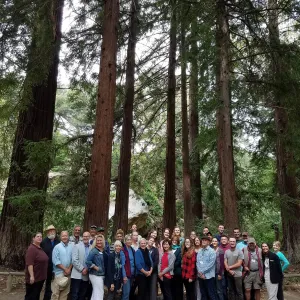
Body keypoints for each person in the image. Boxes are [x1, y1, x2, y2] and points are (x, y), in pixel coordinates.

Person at [25, 232, 49, 300]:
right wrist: (32, 276)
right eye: (37, 236)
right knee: (30, 297)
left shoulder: (39, 248)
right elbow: (30, 263)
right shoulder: (31, 248)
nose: (39, 238)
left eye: (41, 237)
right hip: (34, 279)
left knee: (36, 296)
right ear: (33, 238)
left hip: (40, 279)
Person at [51, 231, 73, 300]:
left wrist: (69, 269)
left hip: (68, 274)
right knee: (55, 294)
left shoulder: (71, 247)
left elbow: (73, 259)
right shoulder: (57, 247)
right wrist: (65, 269)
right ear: (60, 237)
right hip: (58, 274)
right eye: (63, 236)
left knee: (65, 294)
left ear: (68, 237)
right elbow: (56, 261)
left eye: (66, 236)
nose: (65, 237)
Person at [86, 234, 108, 300]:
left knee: (96, 292)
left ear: (103, 241)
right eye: (98, 240)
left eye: (100, 240)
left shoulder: (103, 251)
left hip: (101, 275)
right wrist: (96, 267)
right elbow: (88, 261)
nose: (99, 242)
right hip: (95, 275)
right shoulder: (93, 251)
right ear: (95, 241)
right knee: (100, 293)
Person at [41, 225, 59, 300]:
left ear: (55, 232)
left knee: (54, 285)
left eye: (52, 231)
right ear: (47, 233)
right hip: (45, 267)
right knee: (46, 284)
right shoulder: (43, 242)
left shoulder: (58, 241)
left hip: (56, 267)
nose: (51, 232)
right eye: (49, 231)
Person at [70, 231, 90, 300]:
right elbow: (74, 260)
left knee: (82, 295)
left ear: (89, 237)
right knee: (75, 294)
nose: (85, 238)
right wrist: (82, 269)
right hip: (77, 275)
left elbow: (91, 261)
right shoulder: (77, 246)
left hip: (86, 275)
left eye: (87, 236)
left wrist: (86, 269)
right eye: (84, 236)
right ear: (82, 237)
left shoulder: (91, 248)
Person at [197, 236, 217, 300]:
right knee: (203, 294)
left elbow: (211, 264)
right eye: (202, 240)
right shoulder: (199, 251)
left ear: (208, 242)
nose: (203, 241)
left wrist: (202, 272)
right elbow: (197, 262)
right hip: (200, 276)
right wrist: (200, 273)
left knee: (211, 294)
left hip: (209, 277)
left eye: (205, 240)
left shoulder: (212, 251)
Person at [121, 234, 135, 300]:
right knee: (126, 293)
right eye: (128, 240)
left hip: (132, 274)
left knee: (129, 292)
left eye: (130, 239)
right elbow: (123, 264)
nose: (129, 241)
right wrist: (124, 276)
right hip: (126, 275)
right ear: (125, 241)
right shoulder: (123, 250)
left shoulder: (132, 250)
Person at [171, 236, 183, 300]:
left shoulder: (179, 249)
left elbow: (178, 261)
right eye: (173, 240)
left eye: (176, 240)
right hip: (170, 273)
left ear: (178, 241)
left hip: (177, 272)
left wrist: (170, 267)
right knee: (172, 288)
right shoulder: (170, 249)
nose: (174, 241)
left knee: (178, 289)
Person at [219, 235, 230, 300]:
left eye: (225, 239)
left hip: (230, 270)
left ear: (227, 240)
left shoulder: (230, 247)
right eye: (222, 239)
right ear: (220, 240)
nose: (223, 240)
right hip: (222, 271)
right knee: (223, 286)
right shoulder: (218, 248)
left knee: (230, 286)